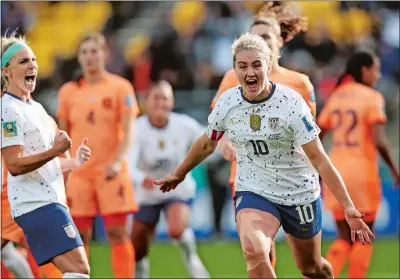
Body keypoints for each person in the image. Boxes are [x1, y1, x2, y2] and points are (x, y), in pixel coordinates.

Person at [155, 33, 375, 279]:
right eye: (243, 66)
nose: (250, 72)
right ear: (235, 70)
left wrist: (347, 206)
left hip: (298, 192)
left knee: (311, 267)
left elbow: (319, 158)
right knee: (254, 250)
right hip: (254, 190)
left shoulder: (291, 103)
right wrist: (179, 173)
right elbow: (208, 143)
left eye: (256, 64)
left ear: (268, 66)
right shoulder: (228, 103)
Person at [211, 2, 315, 267]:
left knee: (308, 266)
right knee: (258, 253)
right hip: (249, 178)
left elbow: (310, 137)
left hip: (292, 180)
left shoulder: (299, 84)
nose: (261, 43)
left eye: (266, 37)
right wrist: (223, 142)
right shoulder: (231, 79)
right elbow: (217, 125)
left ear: (279, 41)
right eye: (255, 38)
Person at [1, 33, 92, 278]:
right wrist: (55, 151)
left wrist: (72, 161)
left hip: (48, 201)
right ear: (6, 71)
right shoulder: (8, 110)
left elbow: (48, 161)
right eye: (22, 62)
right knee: (79, 270)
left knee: (76, 270)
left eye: (33, 59)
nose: (32, 65)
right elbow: (14, 165)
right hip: (34, 203)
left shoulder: (37, 108)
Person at [57, 32, 139, 278]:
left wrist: (117, 162)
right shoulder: (68, 92)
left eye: (94, 51)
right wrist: (65, 168)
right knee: (79, 236)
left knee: (117, 233)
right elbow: (63, 137)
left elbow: (128, 132)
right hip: (79, 175)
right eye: (85, 52)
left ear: (105, 54)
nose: (90, 57)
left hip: (110, 172)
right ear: (79, 58)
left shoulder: (120, 87)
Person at [317, 51, 400, 278]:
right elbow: (380, 141)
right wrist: (394, 169)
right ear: (364, 70)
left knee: (344, 236)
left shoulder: (336, 96)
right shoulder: (372, 97)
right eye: (376, 69)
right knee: (364, 235)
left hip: (336, 172)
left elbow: (316, 134)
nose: (378, 74)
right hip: (362, 174)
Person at [128, 80, 210, 278]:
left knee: (176, 229)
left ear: (172, 102)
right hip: (148, 192)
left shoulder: (184, 124)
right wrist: (141, 178)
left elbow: (208, 141)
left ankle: (192, 259)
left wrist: (226, 147)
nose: (160, 103)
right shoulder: (136, 128)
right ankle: (141, 272)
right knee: (137, 244)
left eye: (165, 98)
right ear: (146, 102)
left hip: (177, 188)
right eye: (155, 98)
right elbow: (127, 162)